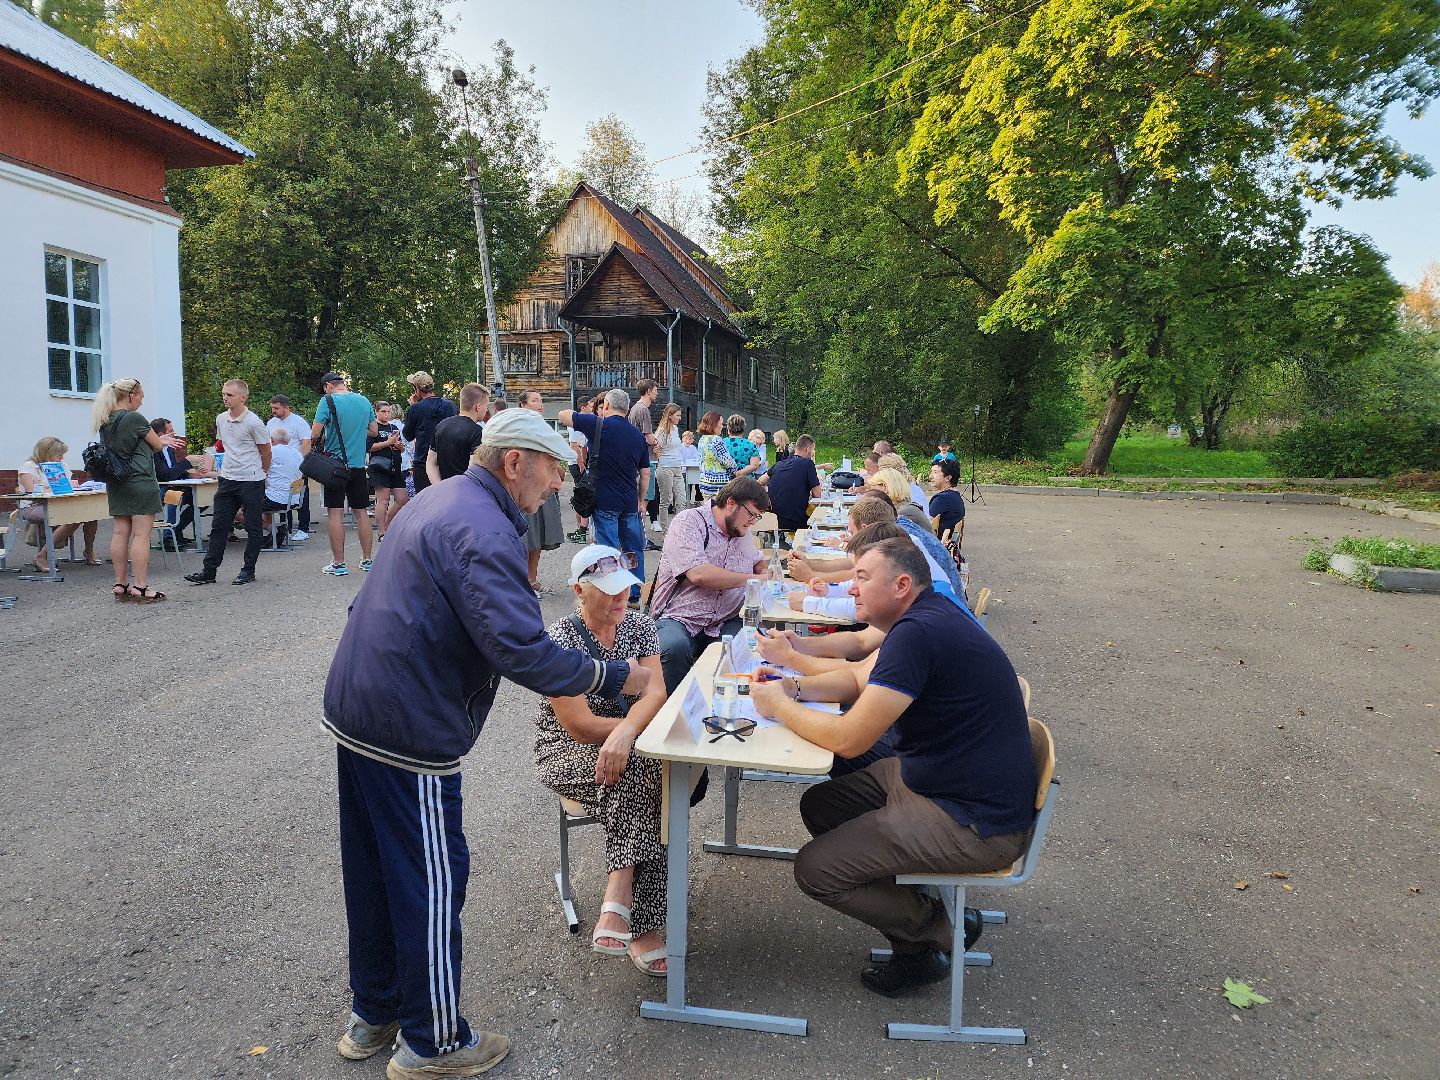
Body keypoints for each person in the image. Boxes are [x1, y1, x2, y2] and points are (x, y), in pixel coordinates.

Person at [323, 407, 651, 1078]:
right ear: (513, 462)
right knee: (430, 881)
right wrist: (619, 674)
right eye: (552, 469)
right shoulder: (485, 528)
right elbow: (523, 651)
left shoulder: (439, 497)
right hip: (406, 728)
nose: (557, 484)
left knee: (376, 872)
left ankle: (375, 1011)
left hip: (357, 708)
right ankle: (434, 1041)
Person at [749, 539, 1035, 997]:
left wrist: (779, 707)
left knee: (816, 870)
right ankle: (913, 920)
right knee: (822, 806)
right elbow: (856, 679)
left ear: (902, 585)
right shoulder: (926, 615)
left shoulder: (919, 633)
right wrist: (792, 688)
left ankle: (939, 929)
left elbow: (849, 739)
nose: (851, 588)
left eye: (862, 578)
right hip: (939, 781)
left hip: (972, 820)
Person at [534, 544, 670, 974]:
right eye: (609, 590)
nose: (621, 597)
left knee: (646, 768)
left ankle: (621, 899)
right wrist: (630, 731)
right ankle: (641, 920)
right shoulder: (560, 639)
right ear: (579, 590)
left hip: (627, 739)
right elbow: (578, 725)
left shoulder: (639, 625)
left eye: (625, 587)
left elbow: (657, 693)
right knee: (648, 776)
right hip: (565, 747)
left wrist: (627, 732)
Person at [649, 477, 770, 693]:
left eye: (757, 517)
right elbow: (699, 574)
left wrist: (763, 571)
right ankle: (672, 709)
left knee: (752, 645)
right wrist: (752, 579)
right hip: (680, 617)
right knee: (672, 647)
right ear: (731, 503)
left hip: (725, 618)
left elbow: (757, 560)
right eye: (751, 514)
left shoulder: (740, 529)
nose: (753, 522)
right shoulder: (688, 522)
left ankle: (728, 706)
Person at [91, 379, 187, 601]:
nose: (141, 402)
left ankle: (120, 583)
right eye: (141, 397)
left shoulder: (105, 418)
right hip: (140, 481)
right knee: (142, 535)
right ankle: (141, 586)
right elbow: (157, 446)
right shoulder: (134, 418)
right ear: (131, 395)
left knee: (120, 532)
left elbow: (126, 447)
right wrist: (161, 440)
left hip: (117, 482)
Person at [557, 389, 650, 604]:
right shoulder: (637, 435)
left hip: (604, 499)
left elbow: (563, 415)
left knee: (608, 550)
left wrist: (589, 411)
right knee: (633, 549)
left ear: (606, 405)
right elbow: (645, 474)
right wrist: (640, 500)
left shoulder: (596, 424)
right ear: (627, 409)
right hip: (629, 501)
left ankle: (612, 593)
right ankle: (634, 595)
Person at [184, 379, 272, 587]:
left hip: (250, 480)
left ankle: (248, 570)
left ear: (243, 397)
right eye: (223, 394)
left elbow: (266, 451)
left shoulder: (253, 422)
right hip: (228, 479)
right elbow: (221, 445)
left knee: (253, 526)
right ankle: (209, 571)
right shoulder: (221, 419)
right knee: (219, 526)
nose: (225, 398)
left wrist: (263, 471)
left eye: (229, 395)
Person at [310, 372, 378, 577]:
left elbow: (315, 433)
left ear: (328, 386)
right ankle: (367, 560)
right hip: (358, 466)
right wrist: (356, 433)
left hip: (335, 466)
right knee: (361, 512)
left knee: (335, 512)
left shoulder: (327, 401)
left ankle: (339, 563)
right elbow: (374, 431)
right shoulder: (363, 400)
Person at [16, 437, 99, 572]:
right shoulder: (29, 466)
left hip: (59, 503)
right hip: (33, 506)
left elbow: (67, 485)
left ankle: (89, 551)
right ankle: (42, 556)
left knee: (90, 514)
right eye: (58, 454)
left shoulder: (61, 465)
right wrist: (56, 488)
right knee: (73, 517)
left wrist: (72, 485)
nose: (61, 458)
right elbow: (31, 493)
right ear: (46, 452)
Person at [518, 389, 564, 596]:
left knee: (538, 535)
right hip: (526, 487)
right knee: (526, 536)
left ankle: (532, 579)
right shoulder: (519, 428)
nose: (540, 404)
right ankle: (521, 583)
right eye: (535, 400)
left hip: (544, 485)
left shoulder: (545, 427)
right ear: (523, 405)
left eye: (541, 400)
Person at [150, 417, 210, 549]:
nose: (174, 434)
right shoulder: (153, 452)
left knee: (201, 499)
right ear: (161, 435)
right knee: (174, 495)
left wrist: (192, 475)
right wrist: (187, 461)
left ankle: (177, 529)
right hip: (157, 488)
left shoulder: (169, 449)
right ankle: (168, 537)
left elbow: (175, 470)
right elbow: (165, 475)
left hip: (173, 485)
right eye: (171, 431)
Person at [401, 370, 456, 495]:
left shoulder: (415, 409)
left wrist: (413, 406)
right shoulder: (450, 406)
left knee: (425, 501)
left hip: (423, 463)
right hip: (448, 461)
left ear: (417, 389)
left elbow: (407, 436)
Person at [267, 395, 313, 539]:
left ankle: (303, 528)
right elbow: (268, 444)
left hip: (296, 465)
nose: (273, 411)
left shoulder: (298, 422)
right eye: (272, 408)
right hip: (277, 466)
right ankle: (286, 528)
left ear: (286, 407)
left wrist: (301, 464)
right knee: (281, 494)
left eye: (276, 408)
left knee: (300, 496)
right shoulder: (271, 423)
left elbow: (306, 443)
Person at [427, 383, 488, 484]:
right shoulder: (477, 432)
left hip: (444, 488)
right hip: (466, 489)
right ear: (478, 407)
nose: (486, 410)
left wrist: (439, 486)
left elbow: (431, 463)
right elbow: (473, 470)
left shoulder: (441, 426)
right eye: (486, 406)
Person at [367, 401, 408, 542]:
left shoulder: (393, 427)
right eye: (383, 411)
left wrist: (399, 446)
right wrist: (387, 443)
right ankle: (381, 531)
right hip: (379, 467)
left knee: (402, 499)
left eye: (388, 411)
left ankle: (387, 524)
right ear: (376, 412)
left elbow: (402, 448)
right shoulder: (373, 428)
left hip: (395, 466)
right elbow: (369, 447)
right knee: (383, 500)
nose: (386, 414)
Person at [766, 433, 822, 534]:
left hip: (772, 518)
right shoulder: (808, 464)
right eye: (812, 451)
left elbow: (760, 481)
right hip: (795, 519)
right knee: (819, 520)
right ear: (808, 449)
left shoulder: (779, 464)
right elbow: (817, 494)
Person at [627, 379, 662, 535]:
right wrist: (657, 442)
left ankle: (638, 534)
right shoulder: (643, 410)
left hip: (637, 457)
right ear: (648, 391)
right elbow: (648, 437)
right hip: (646, 459)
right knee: (644, 499)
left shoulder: (635, 408)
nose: (657, 393)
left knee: (639, 499)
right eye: (655, 390)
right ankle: (640, 535)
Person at [260, 426, 304, 539]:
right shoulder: (297, 453)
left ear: (271, 440)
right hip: (294, 499)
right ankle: (273, 532)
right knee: (263, 497)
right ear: (288, 440)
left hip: (277, 499)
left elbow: (259, 470)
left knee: (244, 507)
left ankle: (273, 530)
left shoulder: (271, 452)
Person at [653, 402, 687, 530]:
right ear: (670, 415)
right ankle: (665, 532)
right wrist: (658, 457)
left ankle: (679, 530)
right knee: (666, 500)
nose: (680, 418)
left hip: (677, 468)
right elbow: (655, 449)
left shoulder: (676, 429)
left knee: (681, 501)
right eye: (677, 415)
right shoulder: (662, 431)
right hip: (665, 467)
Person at [869, 468, 932, 533]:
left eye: (873, 488)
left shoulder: (904, 513)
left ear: (885, 487)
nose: (870, 492)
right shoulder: (904, 508)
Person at [566, 398, 593, 544]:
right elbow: (574, 446)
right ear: (583, 407)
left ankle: (582, 528)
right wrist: (581, 464)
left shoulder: (586, 422)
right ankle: (580, 528)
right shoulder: (576, 424)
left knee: (585, 494)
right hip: (577, 464)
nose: (591, 409)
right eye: (590, 406)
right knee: (582, 495)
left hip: (582, 462)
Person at [695, 411, 736, 501]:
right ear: (714, 424)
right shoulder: (717, 440)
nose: (722, 426)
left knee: (708, 508)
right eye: (721, 423)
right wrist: (735, 470)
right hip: (718, 484)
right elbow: (727, 461)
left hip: (705, 482)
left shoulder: (702, 439)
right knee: (719, 509)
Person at [928, 458, 966, 537]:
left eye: (935, 472)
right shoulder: (955, 495)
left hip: (938, 542)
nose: (930, 476)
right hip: (947, 541)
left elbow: (926, 526)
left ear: (948, 478)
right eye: (931, 472)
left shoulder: (942, 499)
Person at [724, 415, 763, 483]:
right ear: (743, 428)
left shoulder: (722, 443)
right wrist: (739, 473)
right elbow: (755, 465)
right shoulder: (750, 445)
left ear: (728, 428)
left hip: (725, 481)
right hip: (745, 482)